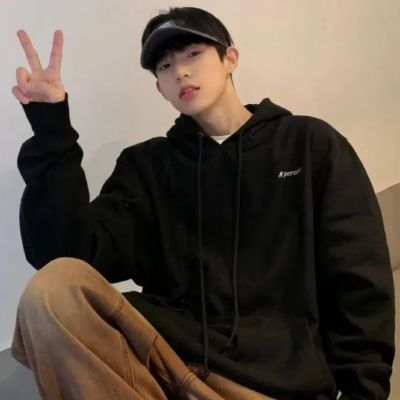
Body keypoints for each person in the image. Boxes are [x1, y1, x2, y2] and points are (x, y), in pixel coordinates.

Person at [10, 6, 395, 400]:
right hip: (168, 371)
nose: (180, 72)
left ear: (231, 58)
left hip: (280, 385)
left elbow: (358, 276)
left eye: (193, 54)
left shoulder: (309, 145)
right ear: (160, 88)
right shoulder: (148, 166)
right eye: (165, 66)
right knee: (54, 289)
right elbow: (68, 254)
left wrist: (363, 391)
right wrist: (50, 127)